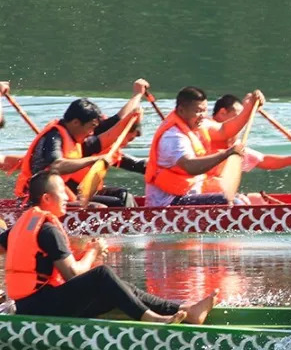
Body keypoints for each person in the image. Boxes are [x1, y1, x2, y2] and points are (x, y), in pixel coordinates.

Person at [0, 172, 216, 323]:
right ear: (47, 198)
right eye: (62, 192)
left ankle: (185, 310)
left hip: (30, 303)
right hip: (40, 307)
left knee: (117, 286)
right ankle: (153, 319)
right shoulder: (47, 230)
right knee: (102, 274)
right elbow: (71, 275)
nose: (68, 197)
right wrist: (92, 252)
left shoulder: (22, 224)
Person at [13, 80, 147, 207]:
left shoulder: (79, 139)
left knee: (123, 197)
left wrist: (137, 95)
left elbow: (115, 121)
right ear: (76, 122)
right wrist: (95, 159)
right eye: (91, 127)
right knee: (102, 207)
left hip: (61, 195)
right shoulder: (53, 136)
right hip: (34, 200)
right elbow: (56, 166)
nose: (92, 132)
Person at [144, 87, 262, 206]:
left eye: (205, 110)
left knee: (241, 199)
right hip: (168, 204)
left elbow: (225, 130)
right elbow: (190, 166)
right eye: (198, 111)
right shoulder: (173, 137)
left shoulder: (197, 125)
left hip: (189, 196)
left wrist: (249, 108)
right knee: (233, 202)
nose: (203, 115)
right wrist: (226, 154)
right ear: (181, 111)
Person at [208, 95, 291, 174]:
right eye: (238, 116)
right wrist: (249, 106)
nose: (242, 122)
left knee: (255, 198)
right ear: (222, 112)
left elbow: (264, 161)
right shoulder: (204, 130)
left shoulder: (234, 146)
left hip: (219, 195)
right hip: (198, 195)